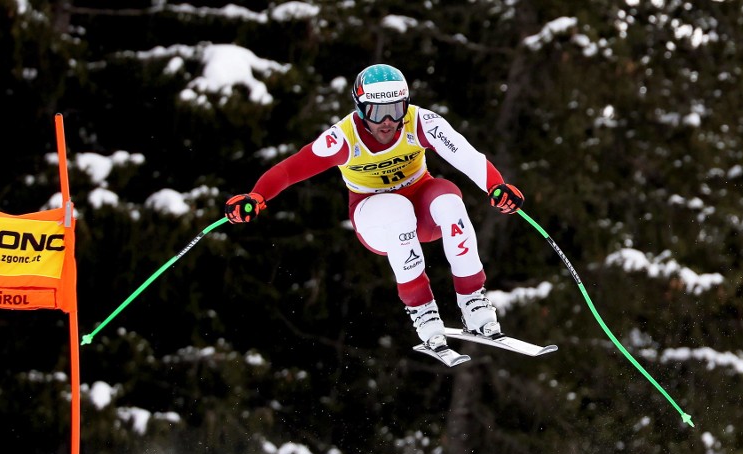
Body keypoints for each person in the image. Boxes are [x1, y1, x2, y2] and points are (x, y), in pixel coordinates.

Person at [224, 64, 525, 350]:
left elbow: (466, 155)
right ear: (360, 108)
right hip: (375, 219)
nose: (388, 121)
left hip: (422, 210)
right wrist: (256, 196)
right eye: (377, 112)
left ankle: (473, 300)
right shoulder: (343, 138)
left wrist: (496, 186)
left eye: (396, 110)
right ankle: (422, 310)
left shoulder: (421, 122)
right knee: (396, 207)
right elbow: (291, 169)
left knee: (449, 197)